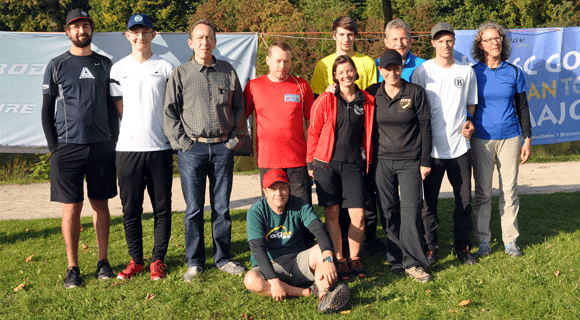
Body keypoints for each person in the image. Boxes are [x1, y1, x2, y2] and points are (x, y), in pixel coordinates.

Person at [163, 19, 249, 281]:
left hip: (223, 149)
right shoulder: (180, 73)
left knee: (221, 208)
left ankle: (222, 258)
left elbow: (239, 109)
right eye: (199, 38)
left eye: (209, 37)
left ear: (215, 41)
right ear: (191, 43)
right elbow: (169, 114)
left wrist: (233, 142)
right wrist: (184, 144)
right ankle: (195, 261)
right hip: (192, 150)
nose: (204, 42)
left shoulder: (227, 71)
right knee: (193, 209)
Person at [41, 8, 118, 288]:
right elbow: (46, 109)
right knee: (71, 208)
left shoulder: (106, 64)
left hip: (101, 147)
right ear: (67, 32)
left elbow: (113, 109)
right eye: (75, 27)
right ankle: (72, 267)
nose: (81, 30)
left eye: (85, 25)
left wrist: (114, 142)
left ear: (91, 29)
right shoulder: (56, 64)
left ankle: (103, 262)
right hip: (67, 149)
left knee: (101, 204)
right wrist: (54, 147)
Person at [110, 13, 174, 281]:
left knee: (162, 208)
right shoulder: (118, 68)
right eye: (134, 32)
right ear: (127, 36)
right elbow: (119, 107)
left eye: (145, 32)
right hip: (127, 149)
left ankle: (158, 260)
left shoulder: (167, 67)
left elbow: (172, 107)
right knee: (130, 209)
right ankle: (136, 260)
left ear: (153, 35)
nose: (140, 37)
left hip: (160, 148)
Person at [412, 22, 478, 265]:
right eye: (440, 40)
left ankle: (463, 247)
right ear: (432, 43)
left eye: (449, 40)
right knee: (429, 204)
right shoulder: (423, 72)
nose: (445, 44)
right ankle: (431, 248)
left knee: (464, 201)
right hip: (432, 149)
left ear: (454, 41)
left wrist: (470, 121)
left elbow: (471, 104)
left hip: (460, 147)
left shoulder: (466, 71)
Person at [366, 49, 433, 282]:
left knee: (412, 209)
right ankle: (396, 258)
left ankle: (414, 262)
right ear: (381, 70)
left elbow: (426, 128)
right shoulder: (372, 93)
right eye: (387, 68)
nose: (392, 72)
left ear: (402, 68)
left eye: (396, 67)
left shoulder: (415, 92)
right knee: (387, 210)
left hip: (410, 161)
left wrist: (425, 161)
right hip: (382, 162)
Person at [307, 55, 374, 280]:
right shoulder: (326, 99)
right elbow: (313, 131)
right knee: (333, 213)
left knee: (358, 214)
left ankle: (354, 258)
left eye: (349, 71)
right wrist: (310, 162)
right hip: (327, 164)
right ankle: (339, 258)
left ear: (356, 72)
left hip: (354, 163)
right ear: (335, 76)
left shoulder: (366, 101)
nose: (346, 75)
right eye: (341, 72)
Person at [244, 169, 350, 313]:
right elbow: (257, 249)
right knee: (251, 280)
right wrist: (274, 281)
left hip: (297, 260)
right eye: (273, 189)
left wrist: (329, 259)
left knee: (321, 252)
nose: (278, 193)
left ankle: (324, 297)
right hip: (270, 265)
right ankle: (307, 292)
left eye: (282, 187)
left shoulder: (299, 204)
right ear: (265, 191)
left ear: (288, 188)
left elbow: (319, 230)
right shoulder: (256, 212)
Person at [470, 22, 532, 258]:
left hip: (511, 137)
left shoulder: (514, 71)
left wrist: (527, 138)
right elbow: (469, 107)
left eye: (498, 39)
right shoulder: (473, 72)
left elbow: (522, 107)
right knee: (483, 192)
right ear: (480, 45)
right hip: (481, 138)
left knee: (509, 191)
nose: (495, 43)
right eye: (489, 39)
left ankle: (510, 240)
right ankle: (484, 240)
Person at [243, 42, 314, 205]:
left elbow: (312, 123)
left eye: (286, 62)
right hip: (269, 161)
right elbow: (240, 116)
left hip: (298, 161)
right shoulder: (254, 87)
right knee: (274, 210)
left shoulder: (301, 85)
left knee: (302, 208)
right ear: (268, 60)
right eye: (278, 61)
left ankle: (301, 232)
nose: (282, 66)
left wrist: (312, 155)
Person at [311, 16, 377, 97]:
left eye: (350, 35)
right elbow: (316, 99)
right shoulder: (322, 65)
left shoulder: (368, 62)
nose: (346, 39)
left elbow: (372, 96)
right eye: (341, 34)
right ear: (334, 36)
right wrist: (327, 93)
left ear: (355, 36)